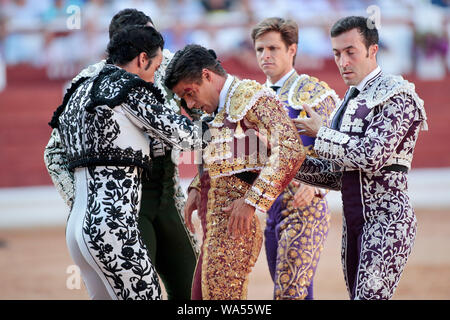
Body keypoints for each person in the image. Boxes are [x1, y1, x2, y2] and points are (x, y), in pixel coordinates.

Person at [43, 9, 199, 300]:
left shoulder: (80, 85)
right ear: (141, 55)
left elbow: (56, 150)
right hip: (120, 215)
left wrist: (81, 201)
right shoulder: (130, 85)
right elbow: (189, 136)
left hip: (87, 221)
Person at [294, 16, 428, 300]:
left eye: (350, 52)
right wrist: (282, 158)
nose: (343, 62)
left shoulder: (397, 94)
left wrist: (322, 134)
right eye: (337, 54)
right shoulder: (347, 103)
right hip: (355, 223)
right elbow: (334, 175)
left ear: (372, 50)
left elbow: (371, 156)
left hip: (387, 221)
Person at [165, 44, 305, 300]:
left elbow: (290, 148)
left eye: (190, 93)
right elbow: (226, 156)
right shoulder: (218, 107)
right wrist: (199, 184)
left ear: (207, 76)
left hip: (233, 228)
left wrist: (253, 201)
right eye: (184, 99)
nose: (190, 103)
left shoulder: (249, 95)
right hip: (215, 228)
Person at [251, 17, 339, 300]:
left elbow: (337, 147)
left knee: (289, 293)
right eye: (260, 49)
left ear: (292, 50)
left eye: (273, 48)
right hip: (271, 209)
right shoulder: (254, 98)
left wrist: (317, 186)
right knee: (295, 292)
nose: (266, 56)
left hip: (305, 207)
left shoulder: (313, 92)